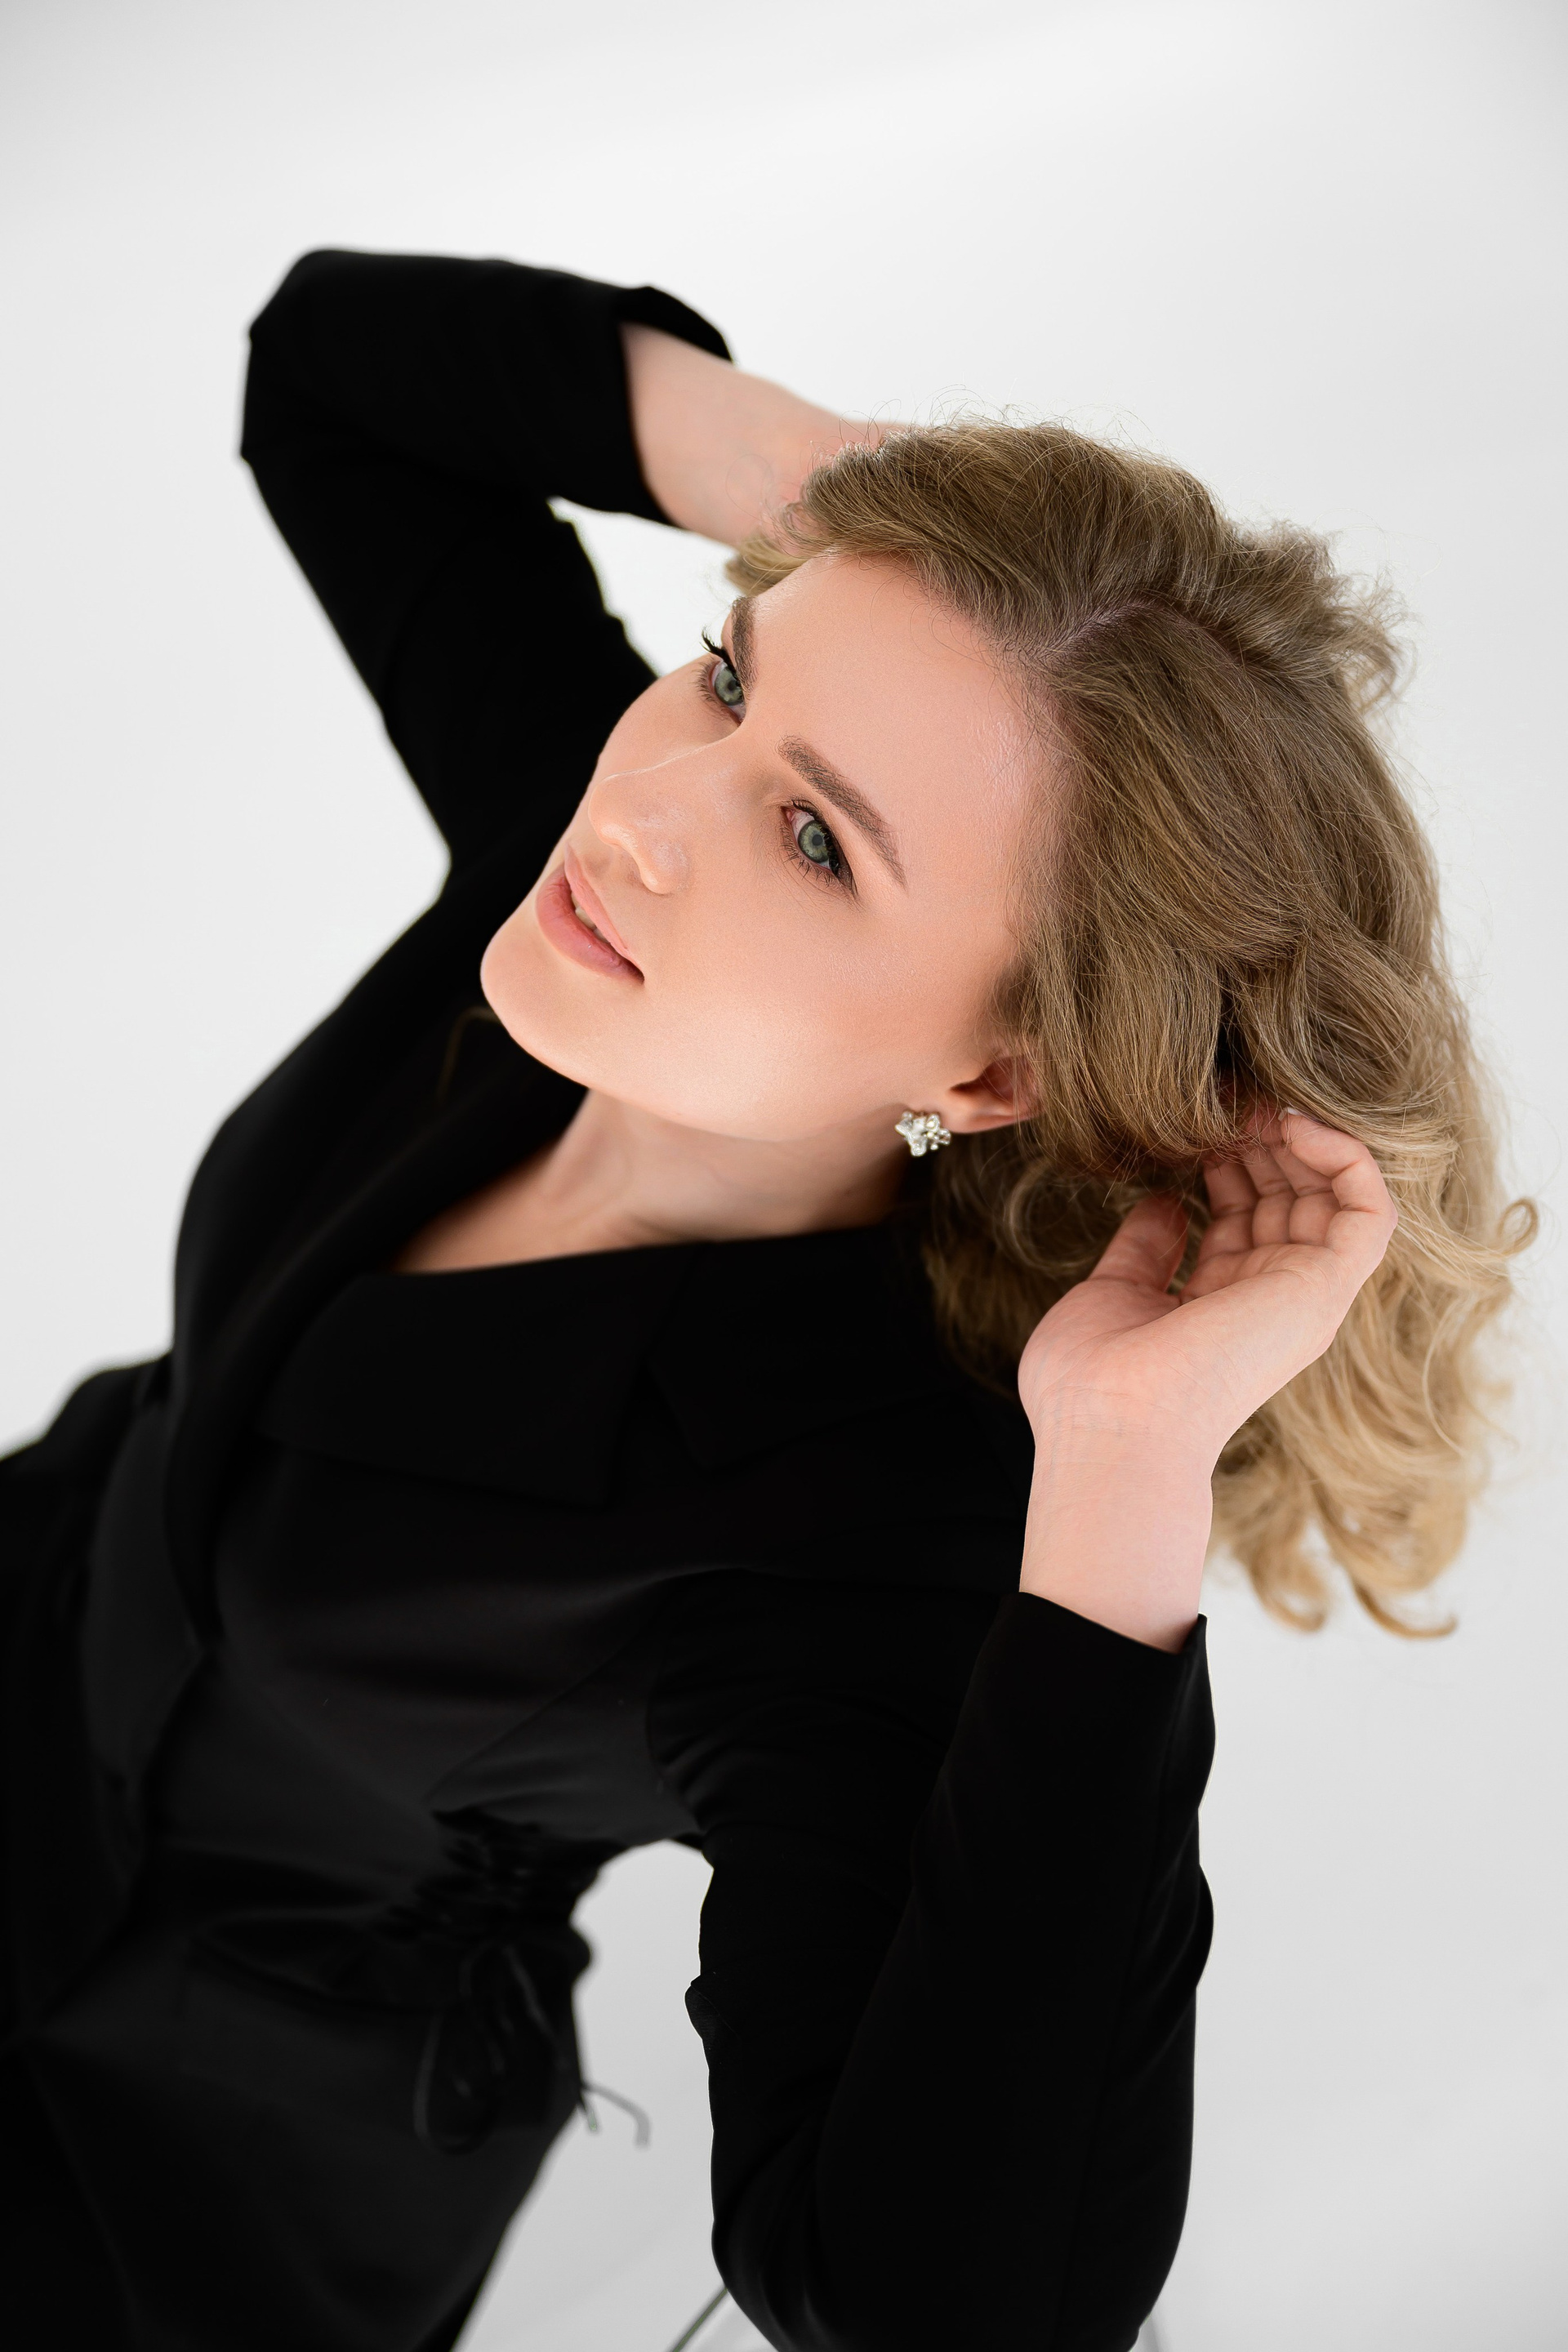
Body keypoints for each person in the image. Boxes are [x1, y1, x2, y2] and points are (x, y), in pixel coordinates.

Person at [0, 248, 1528, 2352]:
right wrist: (835, 501)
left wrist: (1123, 1473)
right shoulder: (573, 873)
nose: (642, 812)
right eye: (725, 680)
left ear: (990, 1076)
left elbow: (943, 2309)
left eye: (817, 840)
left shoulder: (857, 1537)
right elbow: (328, 373)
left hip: (169, 2149)